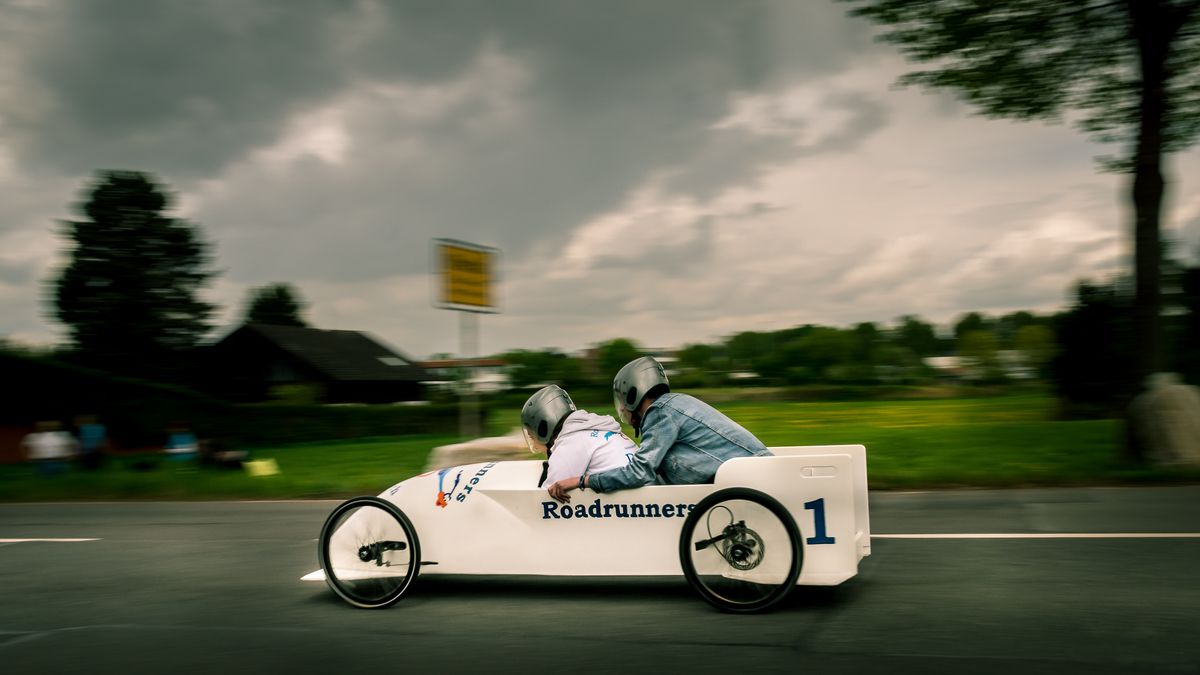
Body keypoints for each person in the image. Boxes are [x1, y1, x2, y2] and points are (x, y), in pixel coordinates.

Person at [547, 356, 772, 503]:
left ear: (633, 393)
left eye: (623, 401)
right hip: (754, 474)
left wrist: (582, 480)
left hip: (749, 481)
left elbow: (639, 472)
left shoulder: (660, 413)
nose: (623, 408)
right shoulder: (676, 403)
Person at [521, 385, 635, 490]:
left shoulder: (570, 443)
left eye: (532, 436)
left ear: (543, 428)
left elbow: (545, 496)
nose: (533, 442)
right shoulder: (597, 428)